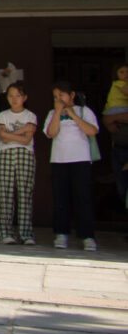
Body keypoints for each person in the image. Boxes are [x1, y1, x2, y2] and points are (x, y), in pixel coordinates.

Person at [44, 81, 99, 251]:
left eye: (61, 95)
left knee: (83, 198)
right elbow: (51, 133)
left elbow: (92, 131)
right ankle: (61, 234)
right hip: (59, 161)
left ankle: (87, 236)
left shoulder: (84, 111)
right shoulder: (52, 113)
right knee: (61, 199)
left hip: (81, 160)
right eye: (55, 97)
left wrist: (73, 115)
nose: (58, 99)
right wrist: (58, 112)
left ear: (72, 95)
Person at [0, 82, 38, 246]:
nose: (14, 99)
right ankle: (5, 232)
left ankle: (26, 234)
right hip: (6, 154)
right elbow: (3, 138)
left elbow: (27, 140)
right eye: (11, 96)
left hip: (25, 154)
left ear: (24, 98)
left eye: (18, 96)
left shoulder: (30, 116)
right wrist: (22, 131)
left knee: (25, 193)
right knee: (4, 193)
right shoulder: (3, 115)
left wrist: (9, 134)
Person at [101, 63, 128, 217]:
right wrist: (111, 120)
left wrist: (114, 118)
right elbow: (106, 119)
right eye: (122, 72)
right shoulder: (116, 88)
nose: (125, 75)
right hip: (118, 148)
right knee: (122, 187)